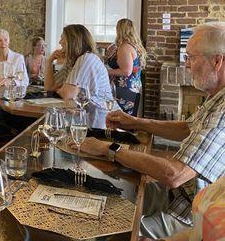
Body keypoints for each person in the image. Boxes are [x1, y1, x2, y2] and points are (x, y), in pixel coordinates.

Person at [73, 22, 225, 239]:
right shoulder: (216, 96)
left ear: (217, 61)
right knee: (107, 195)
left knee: (105, 228)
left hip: (192, 214)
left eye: (190, 57)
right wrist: (135, 122)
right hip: (179, 196)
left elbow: (174, 174)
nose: (187, 65)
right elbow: (187, 128)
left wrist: (108, 148)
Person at [44, 24, 114, 128]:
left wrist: (61, 90)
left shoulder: (87, 58)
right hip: (83, 118)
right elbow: (49, 88)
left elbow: (67, 94)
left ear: (73, 41)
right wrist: (49, 61)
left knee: (49, 124)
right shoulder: (74, 62)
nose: (59, 42)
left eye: (62, 38)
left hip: (102, 123)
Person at [106, 18, 147, 116]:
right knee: (127, 119)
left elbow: (126, 71)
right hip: (133, 88)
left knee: (120, 119)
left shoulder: (125, 47)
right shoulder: (134, 45)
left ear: (120, 30)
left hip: (124, 90)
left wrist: (106, 71)